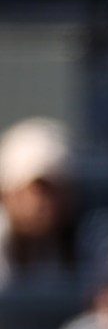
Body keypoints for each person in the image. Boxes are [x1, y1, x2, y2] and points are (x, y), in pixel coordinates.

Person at [0, 116, 78, 288]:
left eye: (57, 189)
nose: (45, 203)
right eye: (37, 189)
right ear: (7, 194)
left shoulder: (86, 251)